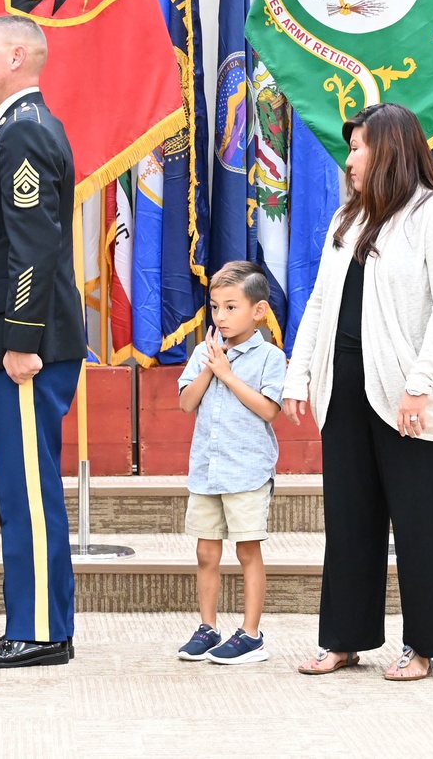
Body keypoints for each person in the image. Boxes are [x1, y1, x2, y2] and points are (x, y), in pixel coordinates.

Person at [283, 102, 433, 682]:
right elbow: (320, 300)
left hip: (410, 396)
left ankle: (423, 645)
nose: (350, 160)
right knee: (348, 518)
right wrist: (300, 374)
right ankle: (344, 639)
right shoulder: (350, 217)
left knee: (422, 523)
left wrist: (418, 385)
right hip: (345, 388)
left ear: (390, 149)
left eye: (359, 147)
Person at [0, 14, 86, 669]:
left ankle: (35, 629)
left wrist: (21, 340)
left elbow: (32, 249)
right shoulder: (10, 133)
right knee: (23, 485)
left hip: (23, 348)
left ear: (19, 56)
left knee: (27, 488)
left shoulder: (24, 135)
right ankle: (43, 621)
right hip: (10, 340)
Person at [176, 262, 286, 665]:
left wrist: (228, 372)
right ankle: (208, 628)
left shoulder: (269, 358)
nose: (220, 317)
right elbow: (186, 402)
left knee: (246, 550)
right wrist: (211, 365)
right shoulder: (204, 353)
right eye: (215, 307)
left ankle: (252, 634)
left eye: (231, 307)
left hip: (247, 470)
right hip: (207, 469)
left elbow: (269, 410)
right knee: (206, 552)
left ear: (257, 311)